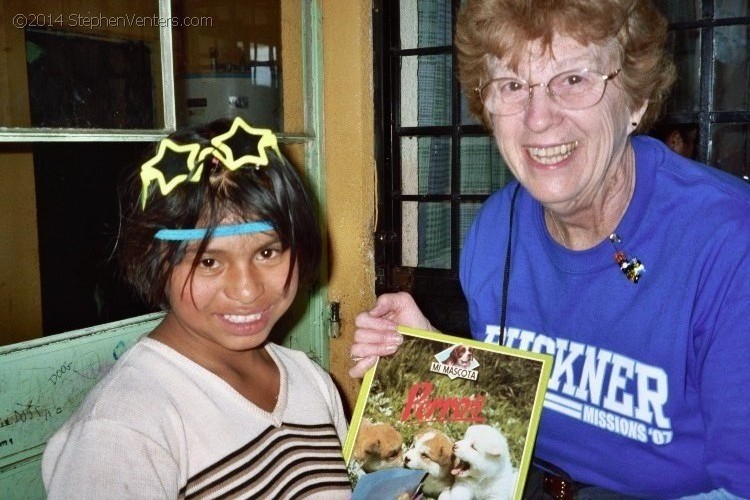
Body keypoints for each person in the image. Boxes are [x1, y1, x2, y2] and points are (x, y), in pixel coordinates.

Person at [350, 0, 750, 498]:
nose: (539, 119)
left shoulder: (731, 242)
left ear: (635, 100)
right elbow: (509, 422)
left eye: (574, 79)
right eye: (513, 85)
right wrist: (430, 353)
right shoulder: (497, 228)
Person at [42, 117, 352, 499]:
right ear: (155, 261)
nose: (246, 290)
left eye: (267, 252)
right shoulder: (121, 429)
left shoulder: (311, 384)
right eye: (209, 262)